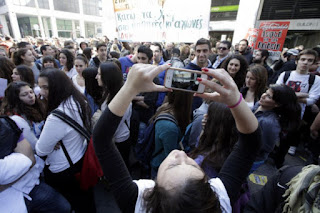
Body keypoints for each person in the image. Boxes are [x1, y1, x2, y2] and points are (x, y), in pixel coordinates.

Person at [93, 64, 261, 213]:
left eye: (173, 165)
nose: (181, 155)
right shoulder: (219, 199)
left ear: (154, 188)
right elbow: (251, 144)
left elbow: (100, 139)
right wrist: (235, 100)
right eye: (192, 165)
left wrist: (129, 88)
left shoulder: (137, 202)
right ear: (208, 186)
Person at [35, 68, 94, 212]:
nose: (41, 92)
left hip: (62, 169)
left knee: (72, 203)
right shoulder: (78, 100)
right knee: (85, 201)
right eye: (39, 86)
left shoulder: (56, 117)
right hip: (79, 157)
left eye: (45, 87)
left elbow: (41, 150)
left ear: (58, 86)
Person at [0, 116, 71, 213]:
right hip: (7, 202)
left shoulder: (8, 124)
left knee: (64, 207)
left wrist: (4, 185)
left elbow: (29, 159)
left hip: (30, 185)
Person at [276, 49, 320, 155]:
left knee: (284, 146)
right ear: (297, 61)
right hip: (279, 112)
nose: (305, 62)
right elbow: (277, 93)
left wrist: (288, 94)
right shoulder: (285, 75)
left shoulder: (315, 80)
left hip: (297, 117)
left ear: (314, 63)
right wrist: (302, 95)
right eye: (303, 59)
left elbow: (311, 100)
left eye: (310, 60)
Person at [253, 85, 301, 171]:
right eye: (266, 92)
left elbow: (264, 147)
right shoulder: (258, 105)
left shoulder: (269, 123)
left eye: (268, 96)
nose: (263, 95)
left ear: (277, 104)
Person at [96, 62, 132, 167]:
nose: (96, 77)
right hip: (112, 140)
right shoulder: (108, 92)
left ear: (107, 77)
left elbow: (113, 126)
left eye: (99, 74)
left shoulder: (122, 99)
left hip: (119, 142)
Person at [150, 90, 193, 178]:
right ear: (187, 100)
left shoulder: (167, 107)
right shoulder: (169, 127)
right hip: (161, 169)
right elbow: (171, 156)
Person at [1, 81, 46, 151]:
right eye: (24, 95)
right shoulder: (15, 118)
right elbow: (33, 144)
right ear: (15, 98)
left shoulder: (38, 107)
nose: (31, 96)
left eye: (31, 92)